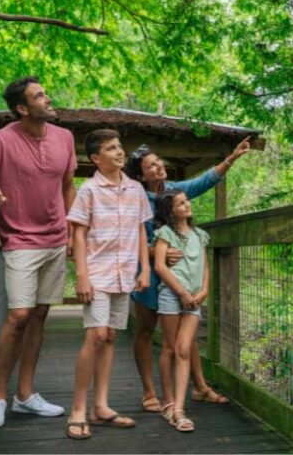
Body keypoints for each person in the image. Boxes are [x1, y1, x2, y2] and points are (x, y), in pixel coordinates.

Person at [0, 76, 76, 428]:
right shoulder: (1, 140)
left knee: (40, 315)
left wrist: (71, 231)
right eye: (39, 95)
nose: (47, 98)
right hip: (19, 240)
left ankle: (26, 396)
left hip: (56, 239)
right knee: (18, 316)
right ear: (21, 108)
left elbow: (68, 186)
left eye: (45, 92)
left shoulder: (65, 138)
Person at [125, 137, 251, 412]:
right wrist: (153, 252)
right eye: (151, 166)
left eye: (159, 162)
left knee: (186, 333)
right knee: (146, 330)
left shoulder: (172, 190)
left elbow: (203, 182)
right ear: (140, 175)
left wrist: (231, 159)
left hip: (179, 274)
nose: (159, 167)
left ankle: (200, 387)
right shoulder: (133, 197)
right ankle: (149, 392)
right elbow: (124, 238)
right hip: (150, 274)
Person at [65, 129, 153, 440]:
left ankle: (100, 407)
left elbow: (142, 231)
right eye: (111, 149)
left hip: (125, 273)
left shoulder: (136, 190)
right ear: (95, 158)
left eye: (120, 147)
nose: (119, 152)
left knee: (112, 337)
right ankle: (78, 409)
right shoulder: (88, 191)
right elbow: (77, 234)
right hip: (97, 273)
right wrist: (82, 275)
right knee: (96, 336)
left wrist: (145, 270)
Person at [153, 190, 211, 432]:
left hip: (194, 300)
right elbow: (159, 266)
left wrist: (203, 291)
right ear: (170, 211)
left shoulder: (200, 235)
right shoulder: (166, 234)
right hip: (172, 295)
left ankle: (178, 408)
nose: (186, 205)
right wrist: (182, 293)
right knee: (169, 347)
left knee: (184, 349)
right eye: (180, 203)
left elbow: (205, 266)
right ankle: (170, 404)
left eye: (186, 201)